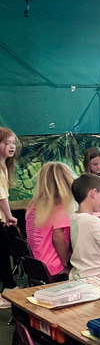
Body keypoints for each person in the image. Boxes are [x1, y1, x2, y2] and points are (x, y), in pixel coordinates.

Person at [25, 161, 77, 278]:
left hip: (35, 265)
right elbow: (58, 238)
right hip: (54, 268)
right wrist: (65, 264)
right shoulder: (61, 208)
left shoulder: (33, 205)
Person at [0, 127, 19, 307]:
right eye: (6, 143)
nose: (11, 146)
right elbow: (1, 195)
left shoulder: (4, 165)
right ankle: (8, 289)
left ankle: (9, 287)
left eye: (13, 143)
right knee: (3, 254)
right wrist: (9, 215)